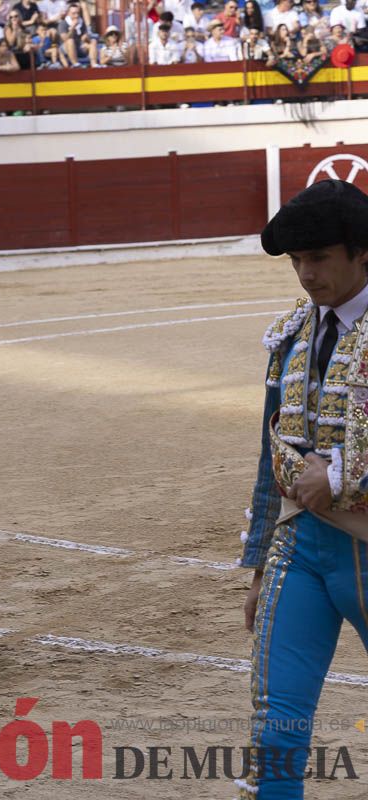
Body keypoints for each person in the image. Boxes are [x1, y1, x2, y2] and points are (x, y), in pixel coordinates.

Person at [237, 179, 368, 800]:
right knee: (276, 724)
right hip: (301, 548)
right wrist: (260, 563)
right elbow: (271, 460)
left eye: (318, 258)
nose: (305, 274)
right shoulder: (291, 334)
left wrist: (341, 472)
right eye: (296, 261)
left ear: (362, 251)